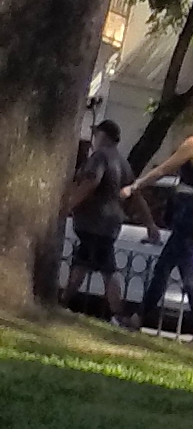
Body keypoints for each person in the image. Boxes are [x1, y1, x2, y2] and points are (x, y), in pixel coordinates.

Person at [133, 93, 193, 336]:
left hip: (185, 210)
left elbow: (164, 169)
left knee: (187, 274)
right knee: (165, 268)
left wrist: (136, 185)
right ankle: (139, 317)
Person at [61, 113, 127, 311]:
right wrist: (149, 223)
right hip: (109, 224)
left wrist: (69, 204)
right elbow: (135, 194)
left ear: (103, 135)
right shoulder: (122, 161)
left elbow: (91, 182)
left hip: (94, 223)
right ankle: (64, 301)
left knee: (99, 268)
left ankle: (116, 311)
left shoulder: (100, 157)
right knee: (89, 264)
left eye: (96, 134)